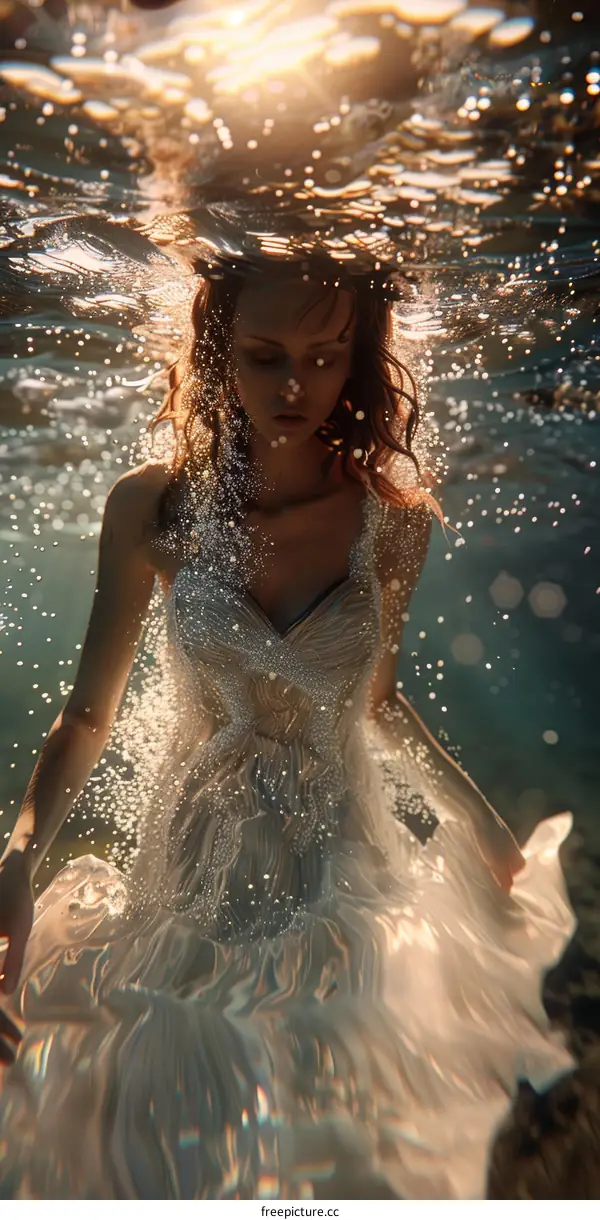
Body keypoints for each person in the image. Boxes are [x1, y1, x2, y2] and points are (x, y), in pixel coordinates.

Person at [0, 257, 575, 1200]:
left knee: (326, 1150)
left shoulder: (390, 521)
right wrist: (19, 854)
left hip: (342, 865)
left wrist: (484, 835)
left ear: (359, 359)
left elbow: (379, 703)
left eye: (325, 356)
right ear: (219, 354)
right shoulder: (153, 505)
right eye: (265, 357)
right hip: (189, 867)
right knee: (170, 1132)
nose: (297, 388)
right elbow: (89, 713)